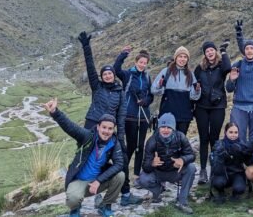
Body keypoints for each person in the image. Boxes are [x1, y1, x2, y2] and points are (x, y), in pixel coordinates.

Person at [43, 98, 124, 217]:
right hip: (80, 180)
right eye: (104, 127)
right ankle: (75, 209)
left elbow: (119, 163)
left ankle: (105, 205)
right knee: (73, 199)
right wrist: (55, 112)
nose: (106, 131)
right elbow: (70, 127)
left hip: (97, 181)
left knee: (120, 176)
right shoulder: (88, 137)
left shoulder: (114, 143)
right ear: (98, 127)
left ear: (113, 129)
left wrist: (98, 180)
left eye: (110, 128)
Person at [112, 46, 153, 205]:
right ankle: (124, 174)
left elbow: (151, 95)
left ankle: (137, 175)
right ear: (136, 61)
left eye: (145, 63)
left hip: (143, 116)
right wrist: (123, 54)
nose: (143, 64)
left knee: (140, 146)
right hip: (129, 115)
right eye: (141, 62)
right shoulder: (128, 74)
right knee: (130, 146)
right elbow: (116, 69)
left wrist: (146, 101)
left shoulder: (147, 77)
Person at [139, 113, 197, 214]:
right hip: (158, 173)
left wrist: (182, 160)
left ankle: (182, 201)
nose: (165, 130)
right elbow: (145, 167)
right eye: (163, 127)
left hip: (175, 172)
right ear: (158, 127)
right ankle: (158, 190)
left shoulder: (181, 137)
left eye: (168, 127)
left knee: (191, 168)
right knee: (142, 179)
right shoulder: (152, 141)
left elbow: (192, 155)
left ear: (173, 128)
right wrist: (152, 163)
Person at [193, 40, 232, 184]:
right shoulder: (199, 68)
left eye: (211, 50)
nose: (209, 52)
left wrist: (223, 52)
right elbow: (194, 84)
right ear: (204, 54)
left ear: (215, 52)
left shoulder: (221, 66)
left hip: (218, 106)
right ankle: (203, 171)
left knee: (215, 139)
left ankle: (215, 170)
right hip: (202, 107)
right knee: (204, 138)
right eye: (207, 51)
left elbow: (228, 68)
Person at [77, 32, 126, 145]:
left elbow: (121, 116)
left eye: (110, 73)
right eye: (105, 74)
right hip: (92, 122)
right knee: (85, 149)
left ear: (113, 75)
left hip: (108, 127)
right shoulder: (97, 86)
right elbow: (90, 66)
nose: (107, 76)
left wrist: (121, 138)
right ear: (102, 76)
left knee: (103, 154)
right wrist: (86, 47)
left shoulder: (120, 92)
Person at [226, 38, 253, 142]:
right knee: (237, 136)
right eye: (247, 48)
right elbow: (229, 89)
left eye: (251, 48)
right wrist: (231, 80)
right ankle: (239, 157)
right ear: (244, 51)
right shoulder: (237, 65)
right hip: (239, 107)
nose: (249, 51)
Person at [151, 46, 200, 135]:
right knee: (165, 139)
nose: (182, 59)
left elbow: (194, 97)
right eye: (180, 56)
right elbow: (154, 90)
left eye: (185, 57)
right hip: (167, 113)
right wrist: (159, 84)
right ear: (175, 58)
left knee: (180, 140)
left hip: (185, 114)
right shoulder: (166, 71)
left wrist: (197, 90)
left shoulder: (190, 75)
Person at [210, 122, 250, 203]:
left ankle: (235, 194)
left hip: (237, 173)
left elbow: (249, 162)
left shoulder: (242, 144)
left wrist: (242, 153)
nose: (233, 135)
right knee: (218, 183)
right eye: (230, 132)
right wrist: (221, 156)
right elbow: (213, 165)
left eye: (236, 132)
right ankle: (221, 192)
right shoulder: (219, 144)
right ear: (225, 133)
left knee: (240, 188)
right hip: (222, 173)